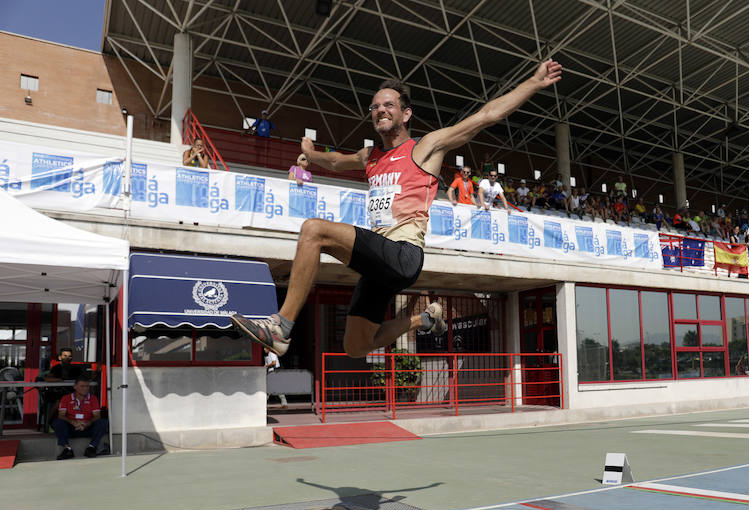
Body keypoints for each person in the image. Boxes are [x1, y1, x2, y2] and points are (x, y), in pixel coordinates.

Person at [230, 59, 563, 358]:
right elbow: (336, 161)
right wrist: (311, 154)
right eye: (375, 107)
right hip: (380, 263)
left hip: (403, 254)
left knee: (314, 230)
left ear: (405, 114)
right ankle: (424, 319)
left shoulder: (426, 147)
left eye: (389, 105)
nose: (380, 110)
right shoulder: (370, 156)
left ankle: (280, 326)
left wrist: (533, 82)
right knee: (356, 347)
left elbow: (486, 116)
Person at [52, 375, 108, 460]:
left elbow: (97, 415)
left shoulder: (93, 398)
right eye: (82, 386)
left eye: (87, 386)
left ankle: (91, 447)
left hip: (87, 426)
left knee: (103, 422)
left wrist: (87, 423)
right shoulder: (66, 398)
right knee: (57, 422)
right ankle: (67, 449)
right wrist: (72, 422)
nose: (85, 389)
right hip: (72, 427)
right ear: (75, 387)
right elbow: (61, 415)